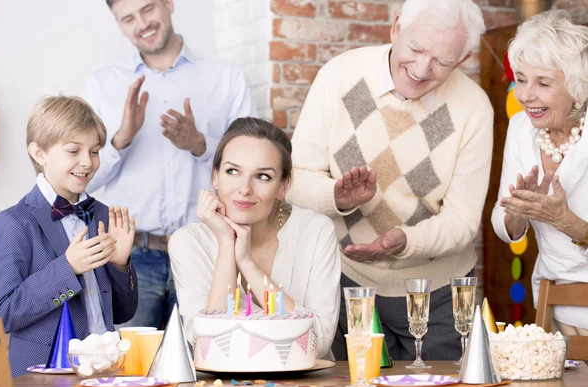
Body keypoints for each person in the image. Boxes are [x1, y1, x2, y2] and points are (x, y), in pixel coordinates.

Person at [286, 0, 494, 361]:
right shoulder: (339, 75)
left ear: (462, 60)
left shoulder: (474, 109)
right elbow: (295, 178)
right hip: (342, 280)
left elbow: (462, 222)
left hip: (437, 295)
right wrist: (335, 196)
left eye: (442, 62)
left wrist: (404, 241)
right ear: (397, 28)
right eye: (416, 49)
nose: (421, 68)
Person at [84, 0, 257, 328]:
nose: (141, 24)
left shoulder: (226, 78)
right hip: (130, 256)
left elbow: (257, 163)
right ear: (119, 24)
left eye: (147, 9)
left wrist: (201, 145)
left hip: (205, 250)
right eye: (128, 18)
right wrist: (121, 139)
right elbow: (83, 182)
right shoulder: (102, 85)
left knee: (206, 361)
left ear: (168, 3)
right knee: (133, 369)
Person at [0, 96, 138, 377]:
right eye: (74, 150)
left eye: (94, 152)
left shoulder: (104, 216)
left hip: (107, 373)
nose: (88, 162)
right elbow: (3, 314)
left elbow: (123, 312)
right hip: (41, 377)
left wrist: (120, 264)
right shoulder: (14, 222)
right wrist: (67, 268)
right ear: (39, 153)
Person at [169, 118, 341, 359]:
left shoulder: (316, 232)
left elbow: (318, 344)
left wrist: (247, 263)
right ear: (215, 177)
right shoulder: (187, 243)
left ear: (283, 186)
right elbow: (209, 347)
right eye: (233, 171)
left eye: (262, 176)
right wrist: (227, 244)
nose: (245, 189)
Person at [491, 10, 588, 336]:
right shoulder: (522, 128)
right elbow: (505, 225)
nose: (524, 95)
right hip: (553, 301)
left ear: (578, 85)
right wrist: (518, 209)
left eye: (543, 83)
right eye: (520, 79)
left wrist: (565, 220)